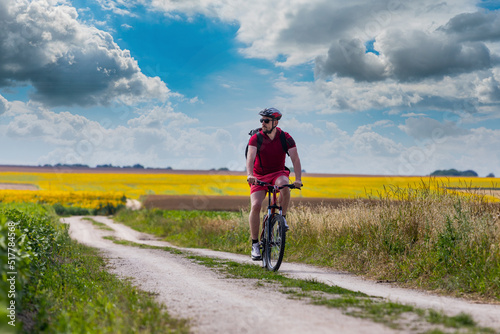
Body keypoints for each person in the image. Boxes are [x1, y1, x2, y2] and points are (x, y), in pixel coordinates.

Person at [246, 107, 303, 260]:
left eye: (266, 121)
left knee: (285, 184)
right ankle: (255, 244)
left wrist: (298, 179)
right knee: (256, 205)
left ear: (275, 122)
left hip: (278, 173)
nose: (262, 123)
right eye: (261, 120)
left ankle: (282, 218)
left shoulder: (286, 137)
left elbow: (295, 159)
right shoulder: (256, 138)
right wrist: (250, 175)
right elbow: (250, 158)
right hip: (259, 175)